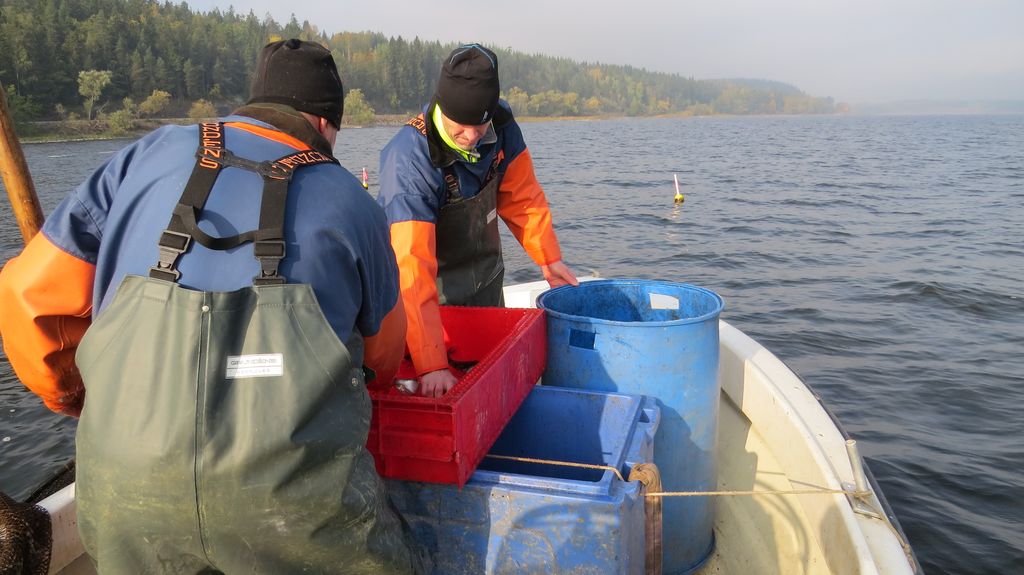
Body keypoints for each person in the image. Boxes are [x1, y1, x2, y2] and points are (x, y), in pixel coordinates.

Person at [0, 39, 424, 574]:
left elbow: (24, 297)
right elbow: (383, 360)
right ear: (324, 125)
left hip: (124, 487)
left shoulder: (144, 154)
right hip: (289, 506)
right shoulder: (352, 199)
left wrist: (77, 398)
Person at [377, 43, 578, 398]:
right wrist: (431, 362)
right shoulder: (409, 160)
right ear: (442, 107)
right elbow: (410, 267)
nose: (471, 136)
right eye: (461, 127)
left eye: (479, 126)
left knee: (491, 391)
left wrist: (549, 258)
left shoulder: (501, 124)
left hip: (484, 287)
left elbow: (523, 199)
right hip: (425, 306)